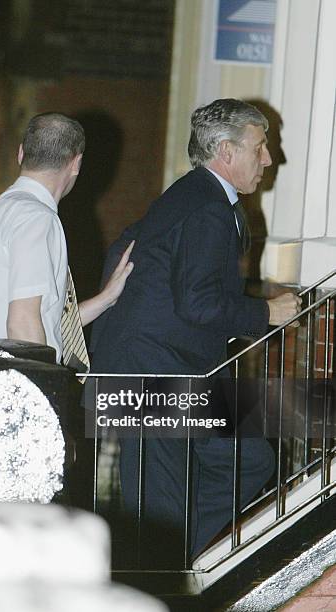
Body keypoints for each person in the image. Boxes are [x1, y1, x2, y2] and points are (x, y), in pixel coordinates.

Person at [90, 99, 301, 564]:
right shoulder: (206, 207)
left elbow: (131, 250)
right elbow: (199, 301)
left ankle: (174, 558)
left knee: (250, 459)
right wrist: (265, 312)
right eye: (260, 147)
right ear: (226, 151)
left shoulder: (192, 196)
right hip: (154, 371)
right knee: (159, 500)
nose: (269, 159)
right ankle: (157, 574)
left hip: (165, 365)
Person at [0, 112, 134, 443]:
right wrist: (45, 407)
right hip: (2, 394)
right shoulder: (37, 219)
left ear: (21, 154)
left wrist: (105, 299)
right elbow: (23, 324)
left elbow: (37, 318)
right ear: (76, 164)